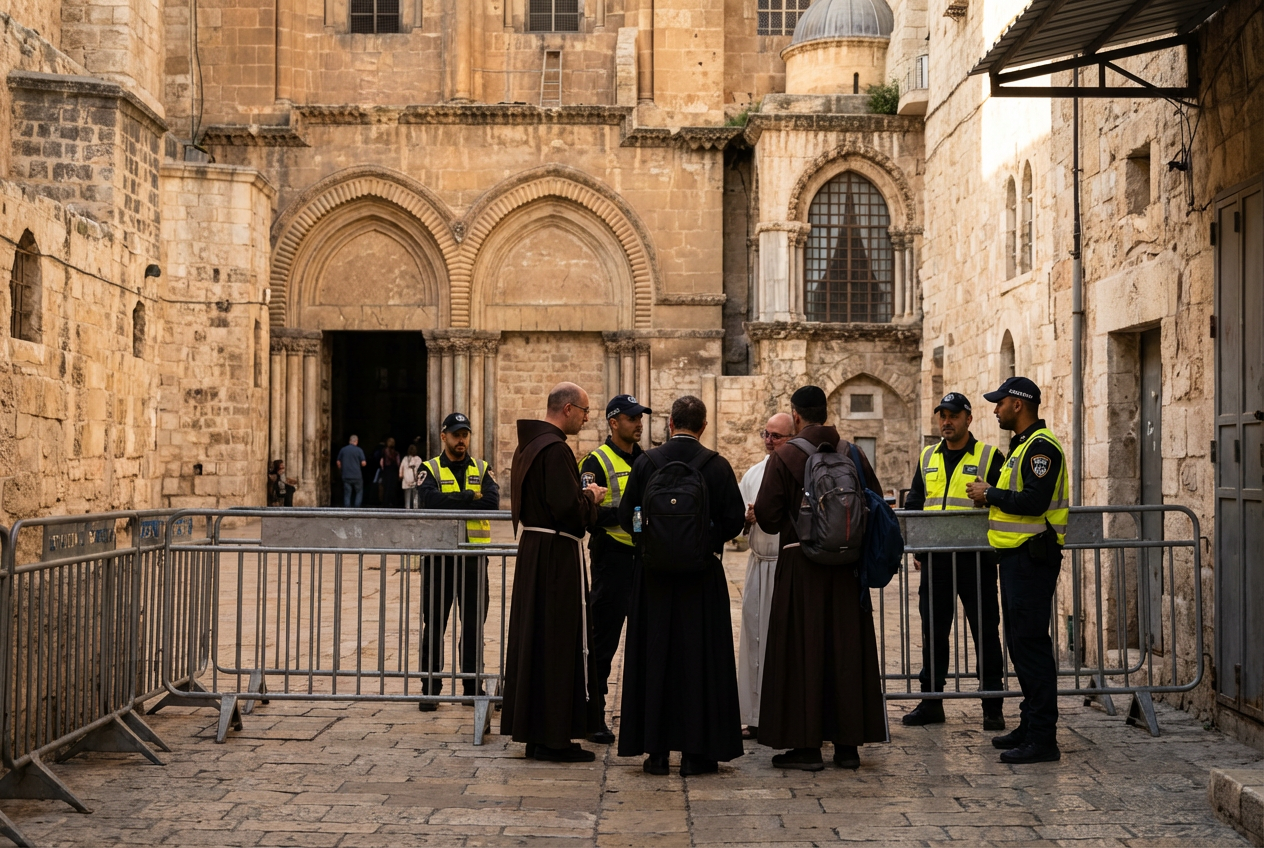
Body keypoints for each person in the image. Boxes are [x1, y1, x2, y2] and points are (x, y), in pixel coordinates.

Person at [754, 385, 888, 771]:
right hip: (847, 569)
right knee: (846, 650)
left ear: (796, 416)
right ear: (825, 412)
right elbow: (874, 502)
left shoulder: (785, 456)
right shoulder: (853, 452)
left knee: (801, 652)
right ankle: (848, 746)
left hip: (802, 566)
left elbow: (766, 514)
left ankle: (806, 747)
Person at [617, 395, 746, 776]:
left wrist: (649, 541)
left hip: (653, 577)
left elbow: (628, 515)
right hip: (701, 579)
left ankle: (655, 752)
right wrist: (704, 543)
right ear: (703, 426)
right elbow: (734, 520)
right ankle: (696, 753)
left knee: (654, 657)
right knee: (699, 661)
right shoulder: (717, 466)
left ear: (670, 423)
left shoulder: (646, 462)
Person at [966, 376, 1068, 765]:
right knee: (1021, 647)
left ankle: (1043, 739)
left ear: (1019, 405)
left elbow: (1033, 501)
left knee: (1031, 648)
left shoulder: (1041, 448)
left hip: (1032, 560)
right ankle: (1030, 725)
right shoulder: (1022, 447)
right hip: (1016, 559)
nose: (995, 409)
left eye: (1000, 403)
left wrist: (989, 493)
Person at [501, 383, 606, 762]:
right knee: (559, 642)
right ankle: (556, 739)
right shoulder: (556, 448)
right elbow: (568, 510)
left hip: (536, 552)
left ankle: (538, 733)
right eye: (584, 410)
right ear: (567, 408)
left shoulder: (529, 445)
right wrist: (591, 499)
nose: (587, 417)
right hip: (556, 556)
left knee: (538, 641)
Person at [902, 392, 1007, 730]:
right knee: (933, 632)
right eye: (942, 416)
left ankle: (993, 706)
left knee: (985, 633)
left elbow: (1004, 501)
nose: (946, 422)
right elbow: (917, 503)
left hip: (976, 561)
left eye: (953, 416)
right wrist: (918, 549)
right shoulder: (927, 457)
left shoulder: (990, 456)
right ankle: (932, 701)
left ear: (968, 419)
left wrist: (989, 492)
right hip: (936, 562)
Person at [578, 394, 650, 745]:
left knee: (646, 640)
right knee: (602, 641)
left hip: (644, 558)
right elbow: (588, 513)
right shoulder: (596, 461)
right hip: (612, 559)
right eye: (633, 418)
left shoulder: (647, 460)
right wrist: (627, 517)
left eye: (641, 418)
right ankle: (594, 715)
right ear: (613, 422)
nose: (639, 423)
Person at [415, 412, 500, 709]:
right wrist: (468, 497)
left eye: (465, 434)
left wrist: (458, 500)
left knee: (474, 625)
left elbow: (492, 502)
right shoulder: (430, 468)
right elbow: (428, 501)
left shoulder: (483, 467)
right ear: (444, 436)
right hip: (440, 559)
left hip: (474, 559)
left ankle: (471, 685)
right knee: (435, 624)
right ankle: (430, 688)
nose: (461, 440)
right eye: (456, 434)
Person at [736, 412, 793, 740]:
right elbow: (740, 531)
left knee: (783, 640)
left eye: (777, 436)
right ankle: (754, 715)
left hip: (786, 565)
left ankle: (783, 713)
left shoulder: (798, 471)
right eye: (766, 434)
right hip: (760, 563)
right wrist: (747, 519)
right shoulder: (754, 474)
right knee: (755, 639)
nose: (769, 441)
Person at [336, 435, 367, 507]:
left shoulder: (343, 450)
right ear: (356, 441)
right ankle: (357, 508)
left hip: (346, 475)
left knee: (347, 493)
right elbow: (363, 463)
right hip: (357, 475)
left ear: (349, 441)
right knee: (359, 492)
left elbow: (338, 462)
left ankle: (347, 509)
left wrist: (341, 469)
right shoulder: (359, 450)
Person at [400, 444, 425, 509]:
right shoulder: (418, 459)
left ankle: (407, 511)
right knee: (416, 500)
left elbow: (401, 472)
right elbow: (421, 471)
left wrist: (401, 477)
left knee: (407, 500)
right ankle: (415, 512)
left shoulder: (405, 459)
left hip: (406, 482)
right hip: (415, 482)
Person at [380, 437, 402, 508]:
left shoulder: (384, 451)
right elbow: (398, 463)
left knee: (386, 487)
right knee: (393, 488)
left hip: (387, 471)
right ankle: (393, 503)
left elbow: (382, 461)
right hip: (394, 471)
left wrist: (382, 469)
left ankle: (385, 503)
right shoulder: (396, 453)